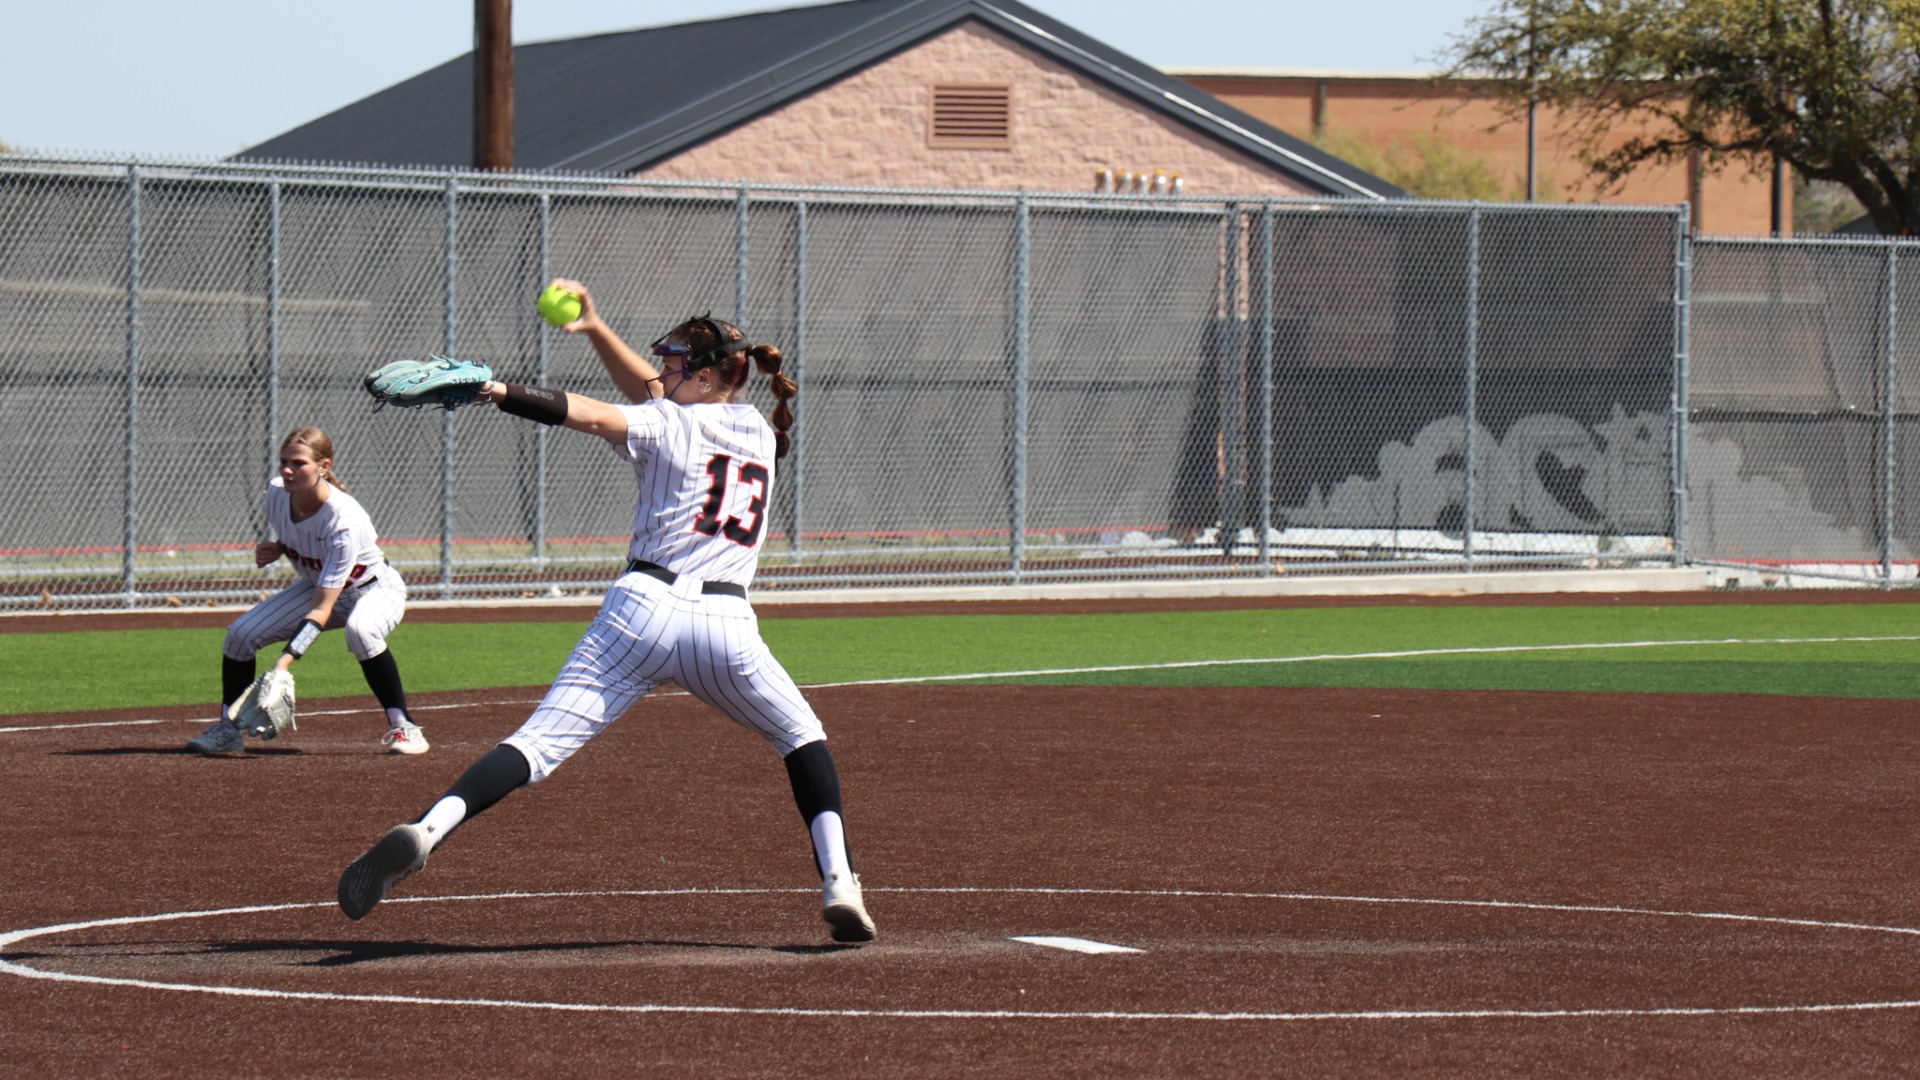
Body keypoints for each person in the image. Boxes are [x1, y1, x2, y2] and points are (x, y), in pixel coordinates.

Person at [337, 302, 875, 944]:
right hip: (725, 625)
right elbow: (649, 393)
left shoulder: (667, 421)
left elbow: (589, 414)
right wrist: (594, 328)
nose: (662, 371)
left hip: (640, 612)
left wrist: (493, 390)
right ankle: (839, 881)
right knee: (801, 736)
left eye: (675, 362)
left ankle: (430, 829)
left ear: (705, 376)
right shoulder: (758, 428)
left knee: (535, 745)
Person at [187, 428, 428, 756]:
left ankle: (404, 726)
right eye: (284, 461)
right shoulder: (276, 493)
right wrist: (279, 547)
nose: (288, 470)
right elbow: (303, 537)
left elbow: (321, 609)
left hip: (373, 590)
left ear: (324, 466)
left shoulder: (343, 518)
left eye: (298, 463)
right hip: (319, 585)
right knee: (240, 635)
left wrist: (283, 664)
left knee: (361, 630)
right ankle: (228, 729)